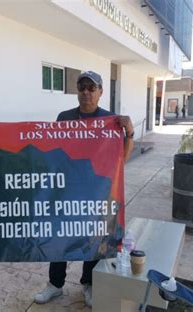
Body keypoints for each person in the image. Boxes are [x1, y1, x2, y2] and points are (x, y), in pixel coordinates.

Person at [34, 71, 134, 307]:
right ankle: (55, 285)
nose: (86, 92)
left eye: (92, 88)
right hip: (67, 190)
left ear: (100, 92)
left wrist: (128, 133)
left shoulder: (111, 120)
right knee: (59, 238)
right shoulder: (64, 117)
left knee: (94, 238)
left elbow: (122, 159)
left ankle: (88, 284)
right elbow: (56, 154)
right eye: (82, 88)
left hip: (98, 192)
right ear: (77, 91)